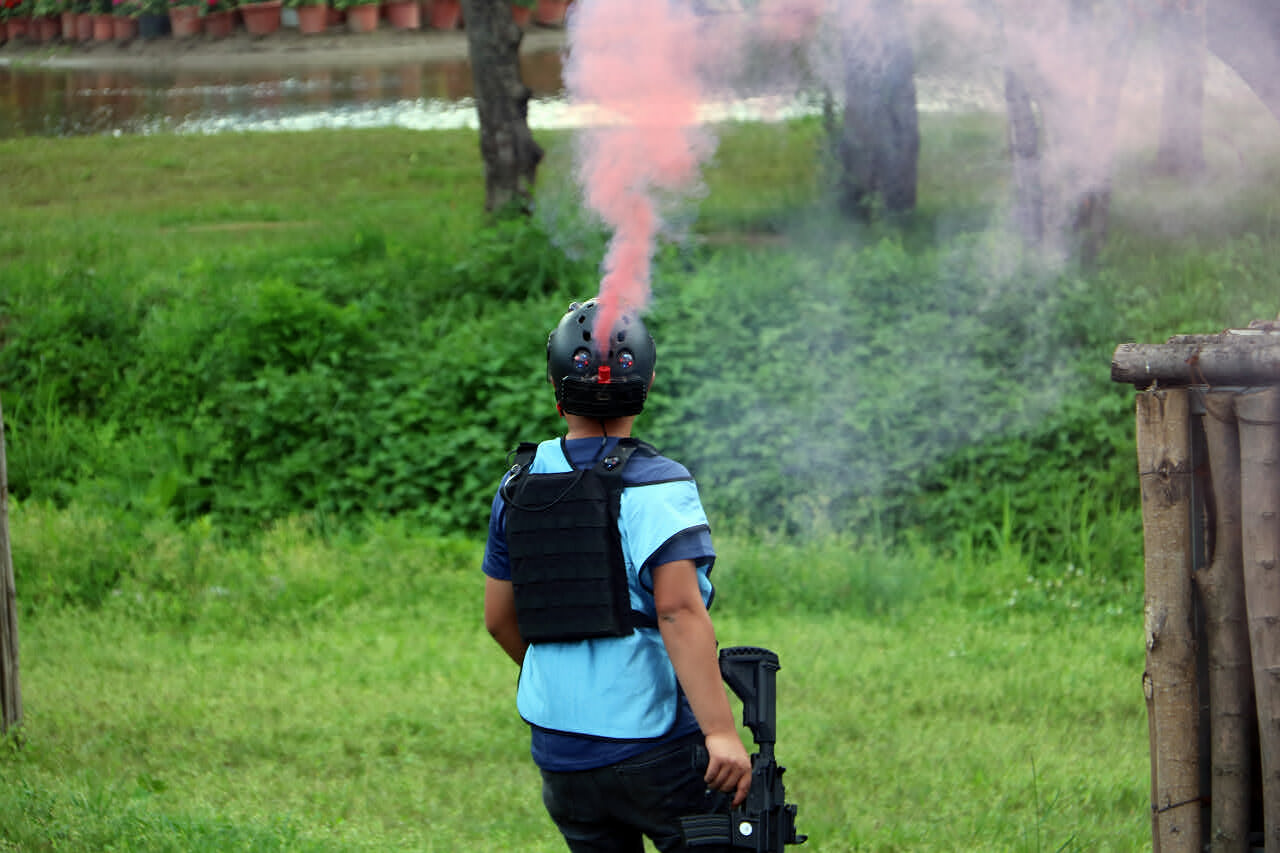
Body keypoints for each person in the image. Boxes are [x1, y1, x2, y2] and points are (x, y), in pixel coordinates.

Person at [482, 298, 752, 853]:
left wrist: (565, 686)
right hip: (654, 750)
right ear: (647, 383)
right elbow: (677, 610)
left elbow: (499, 620)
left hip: (561, 755)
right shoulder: (658, 484)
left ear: (557, 392)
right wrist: (722, 733)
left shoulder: (519, 485)